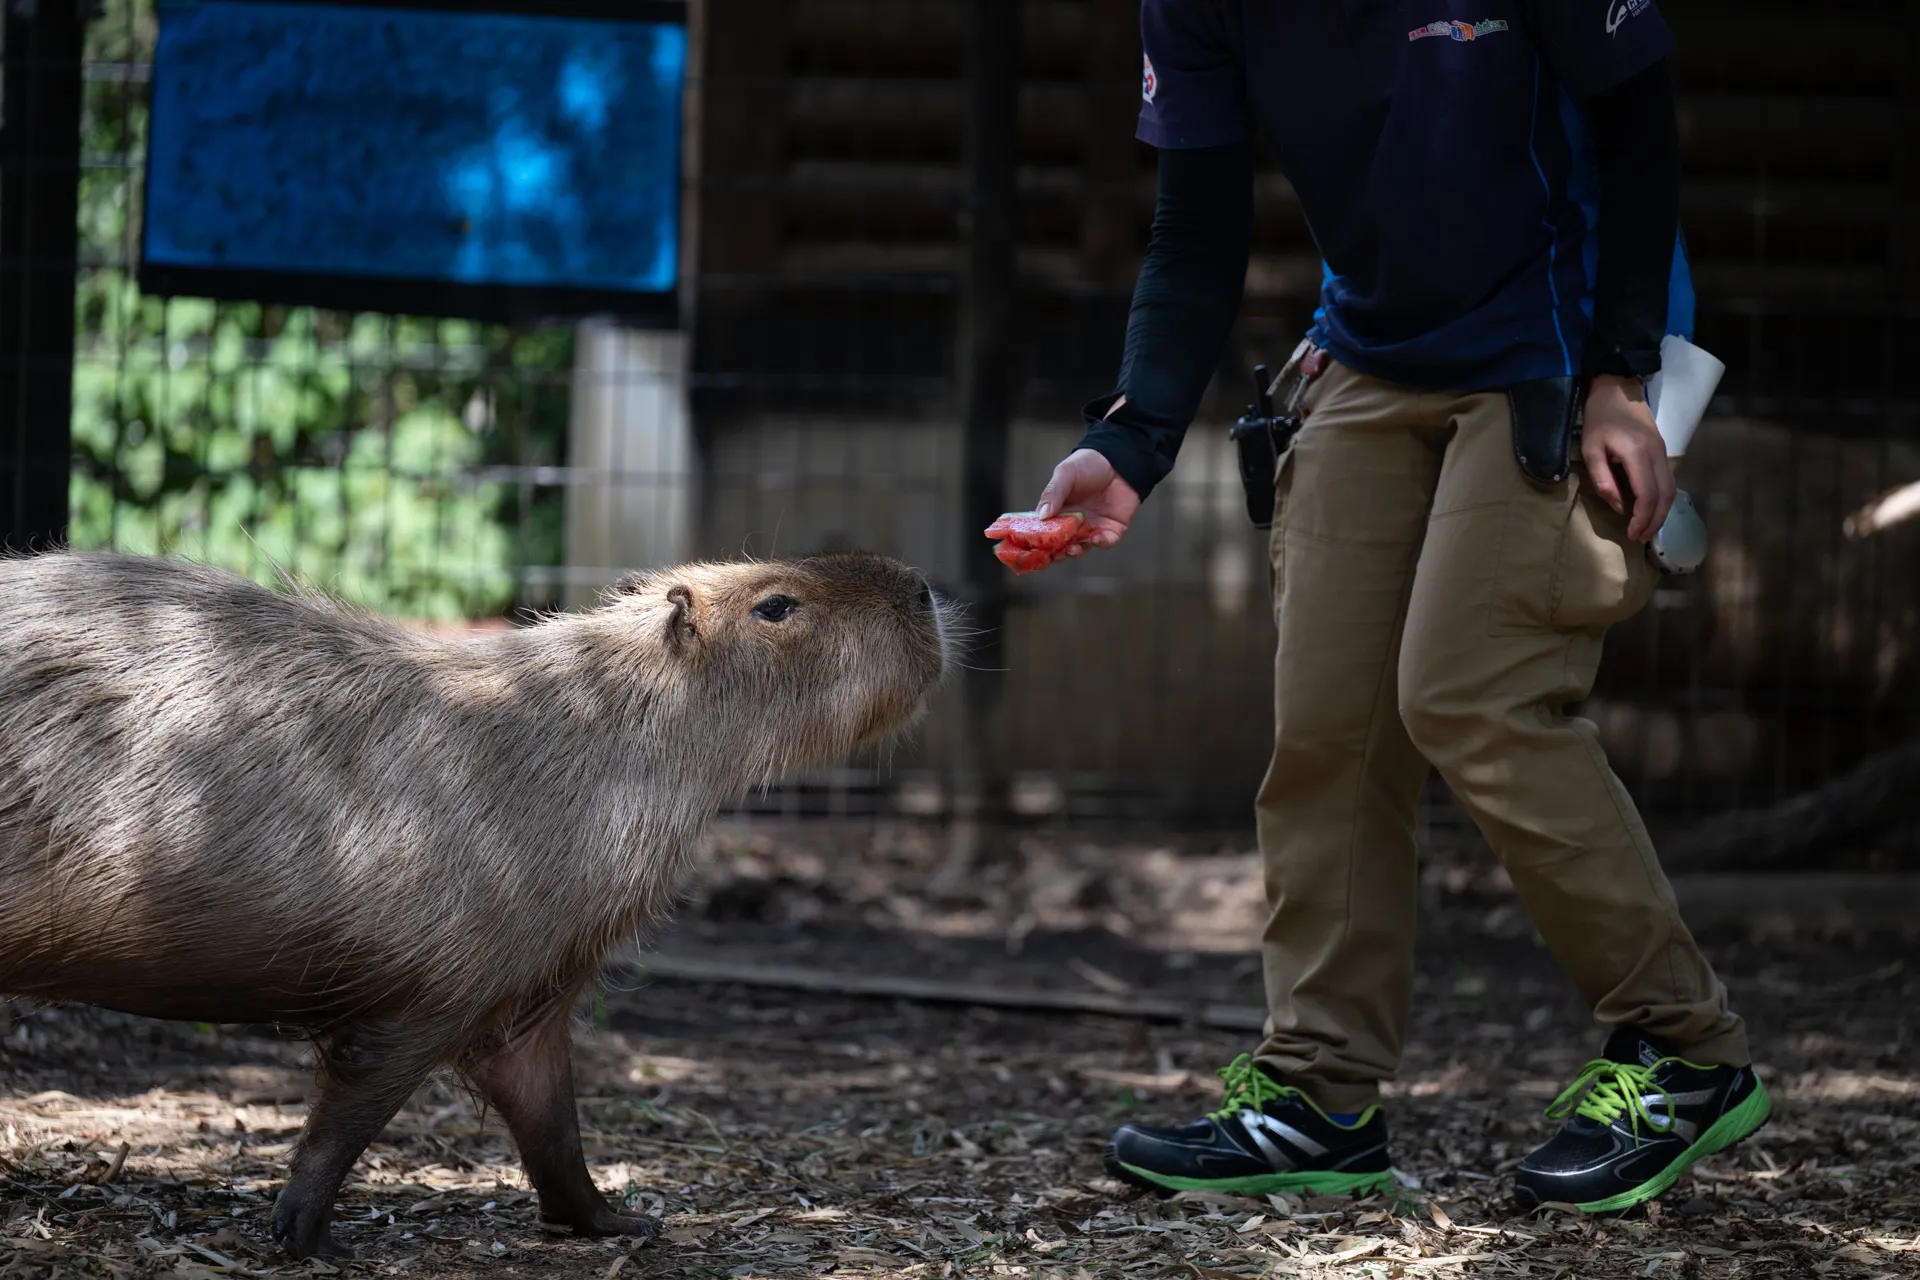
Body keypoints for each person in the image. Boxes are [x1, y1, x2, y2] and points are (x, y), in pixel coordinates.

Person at [1027, 0, 1770, 1213]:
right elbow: (1196, 226)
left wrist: (1626, 370)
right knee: (1329, 720)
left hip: (1565, 339)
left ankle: (1686, 1051)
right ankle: (1316, 1094)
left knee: (1469, 687)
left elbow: (1640, 129)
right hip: (1376, 346)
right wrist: (1134, 437)